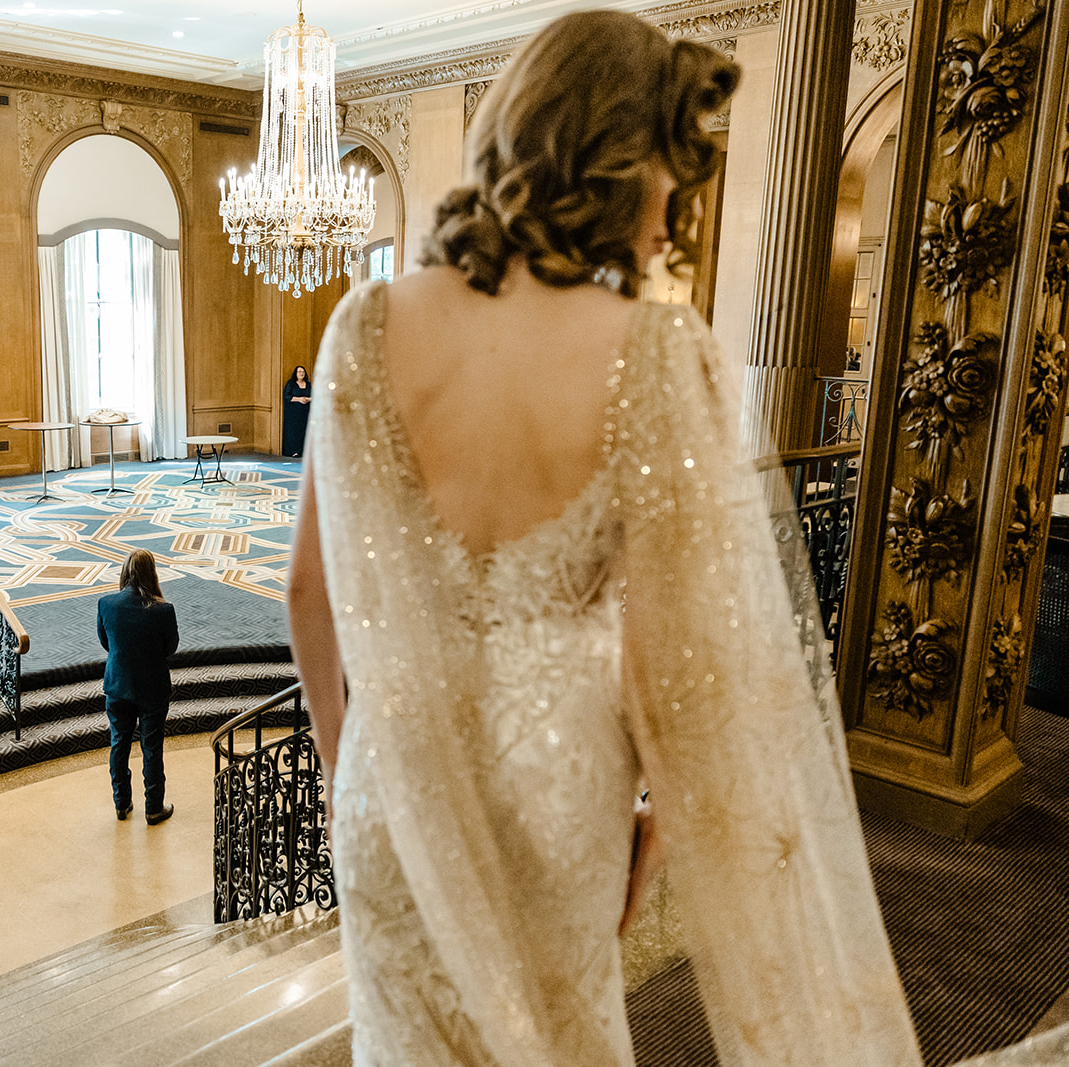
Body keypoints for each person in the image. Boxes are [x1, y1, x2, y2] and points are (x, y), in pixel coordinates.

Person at [286, 11, 1069, 1066]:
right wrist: (655, 823)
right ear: (616, 160)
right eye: (671, 175)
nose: (672, 220)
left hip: (389, 787)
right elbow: (667, 667)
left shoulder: (363, 323)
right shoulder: (652, 350)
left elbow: (309, 592)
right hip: (559, 791)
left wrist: (352, 769)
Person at [98, 548, 179, 825]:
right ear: (152, 573)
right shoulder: (164, 609)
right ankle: (154, 808)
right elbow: (171, 648)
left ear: (125, 571)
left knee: (119, 744)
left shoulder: (106, 604)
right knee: (152, 747)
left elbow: (106, 642)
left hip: (118, 685)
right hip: (152, 687)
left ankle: (121, 803)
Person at [282, 365, 312, 457]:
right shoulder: (291, 384)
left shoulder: (308, 384)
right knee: (293, 431)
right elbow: (286, 396)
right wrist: (299, 399)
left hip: (305, 412)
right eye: (299, 372)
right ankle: (293, 451)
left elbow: (314, 395)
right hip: (293, 412)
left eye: (303, 372)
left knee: (304, 431)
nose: (301, 373)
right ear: (296, 373)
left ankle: (302, 451)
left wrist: (307, 399)